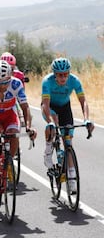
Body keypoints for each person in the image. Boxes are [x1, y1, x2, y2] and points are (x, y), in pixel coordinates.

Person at [0, 60, 36, 201]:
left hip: (9, 114)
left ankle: (8, 162)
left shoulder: (16, 83)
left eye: (4, 83)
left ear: (10, 77)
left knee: (14, 135)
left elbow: (25, 107)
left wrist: (29, 126)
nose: (2, 86)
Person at [41, 57, 94, 191]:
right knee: (53, 125)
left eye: (66, 74)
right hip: (50, 107)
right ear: (55, 74)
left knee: (68, 143)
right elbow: (45, 104)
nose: (63, 78)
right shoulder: (47, 81)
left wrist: (86, 119)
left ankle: (71, 176)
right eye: (60, 75)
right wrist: (50, 122)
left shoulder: (74, 80)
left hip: (65, 108)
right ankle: (48, 151)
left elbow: (83, 101)